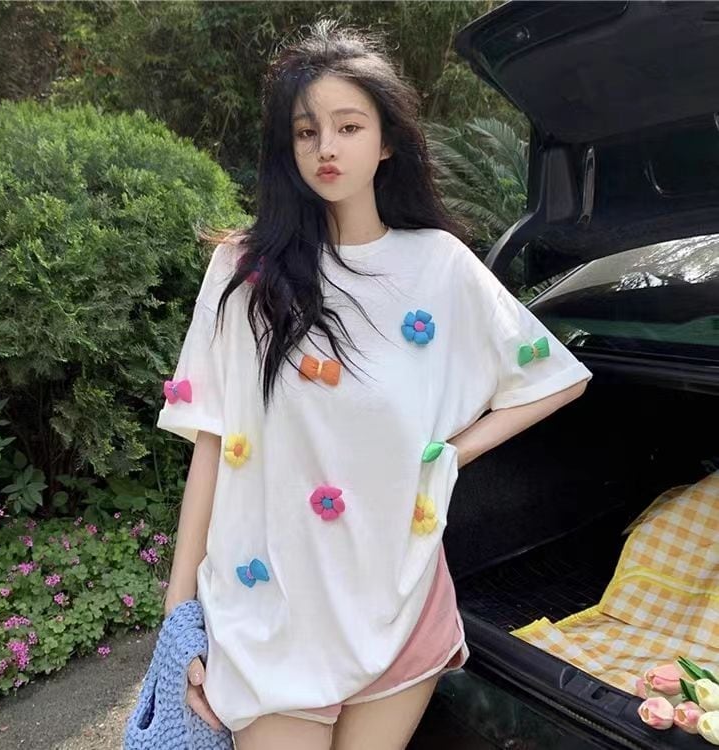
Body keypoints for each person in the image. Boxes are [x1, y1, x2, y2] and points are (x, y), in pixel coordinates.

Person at [157, 18, 593, 750]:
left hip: (401, 600)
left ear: (386, 140)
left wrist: (447, 453)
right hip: (270, 618)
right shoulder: (243, 273)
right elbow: (210, 441)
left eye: (348, 126)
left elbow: (555, 378)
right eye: (306, 132)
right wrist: (180, 617)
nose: (326, 147)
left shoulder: (438, 265)